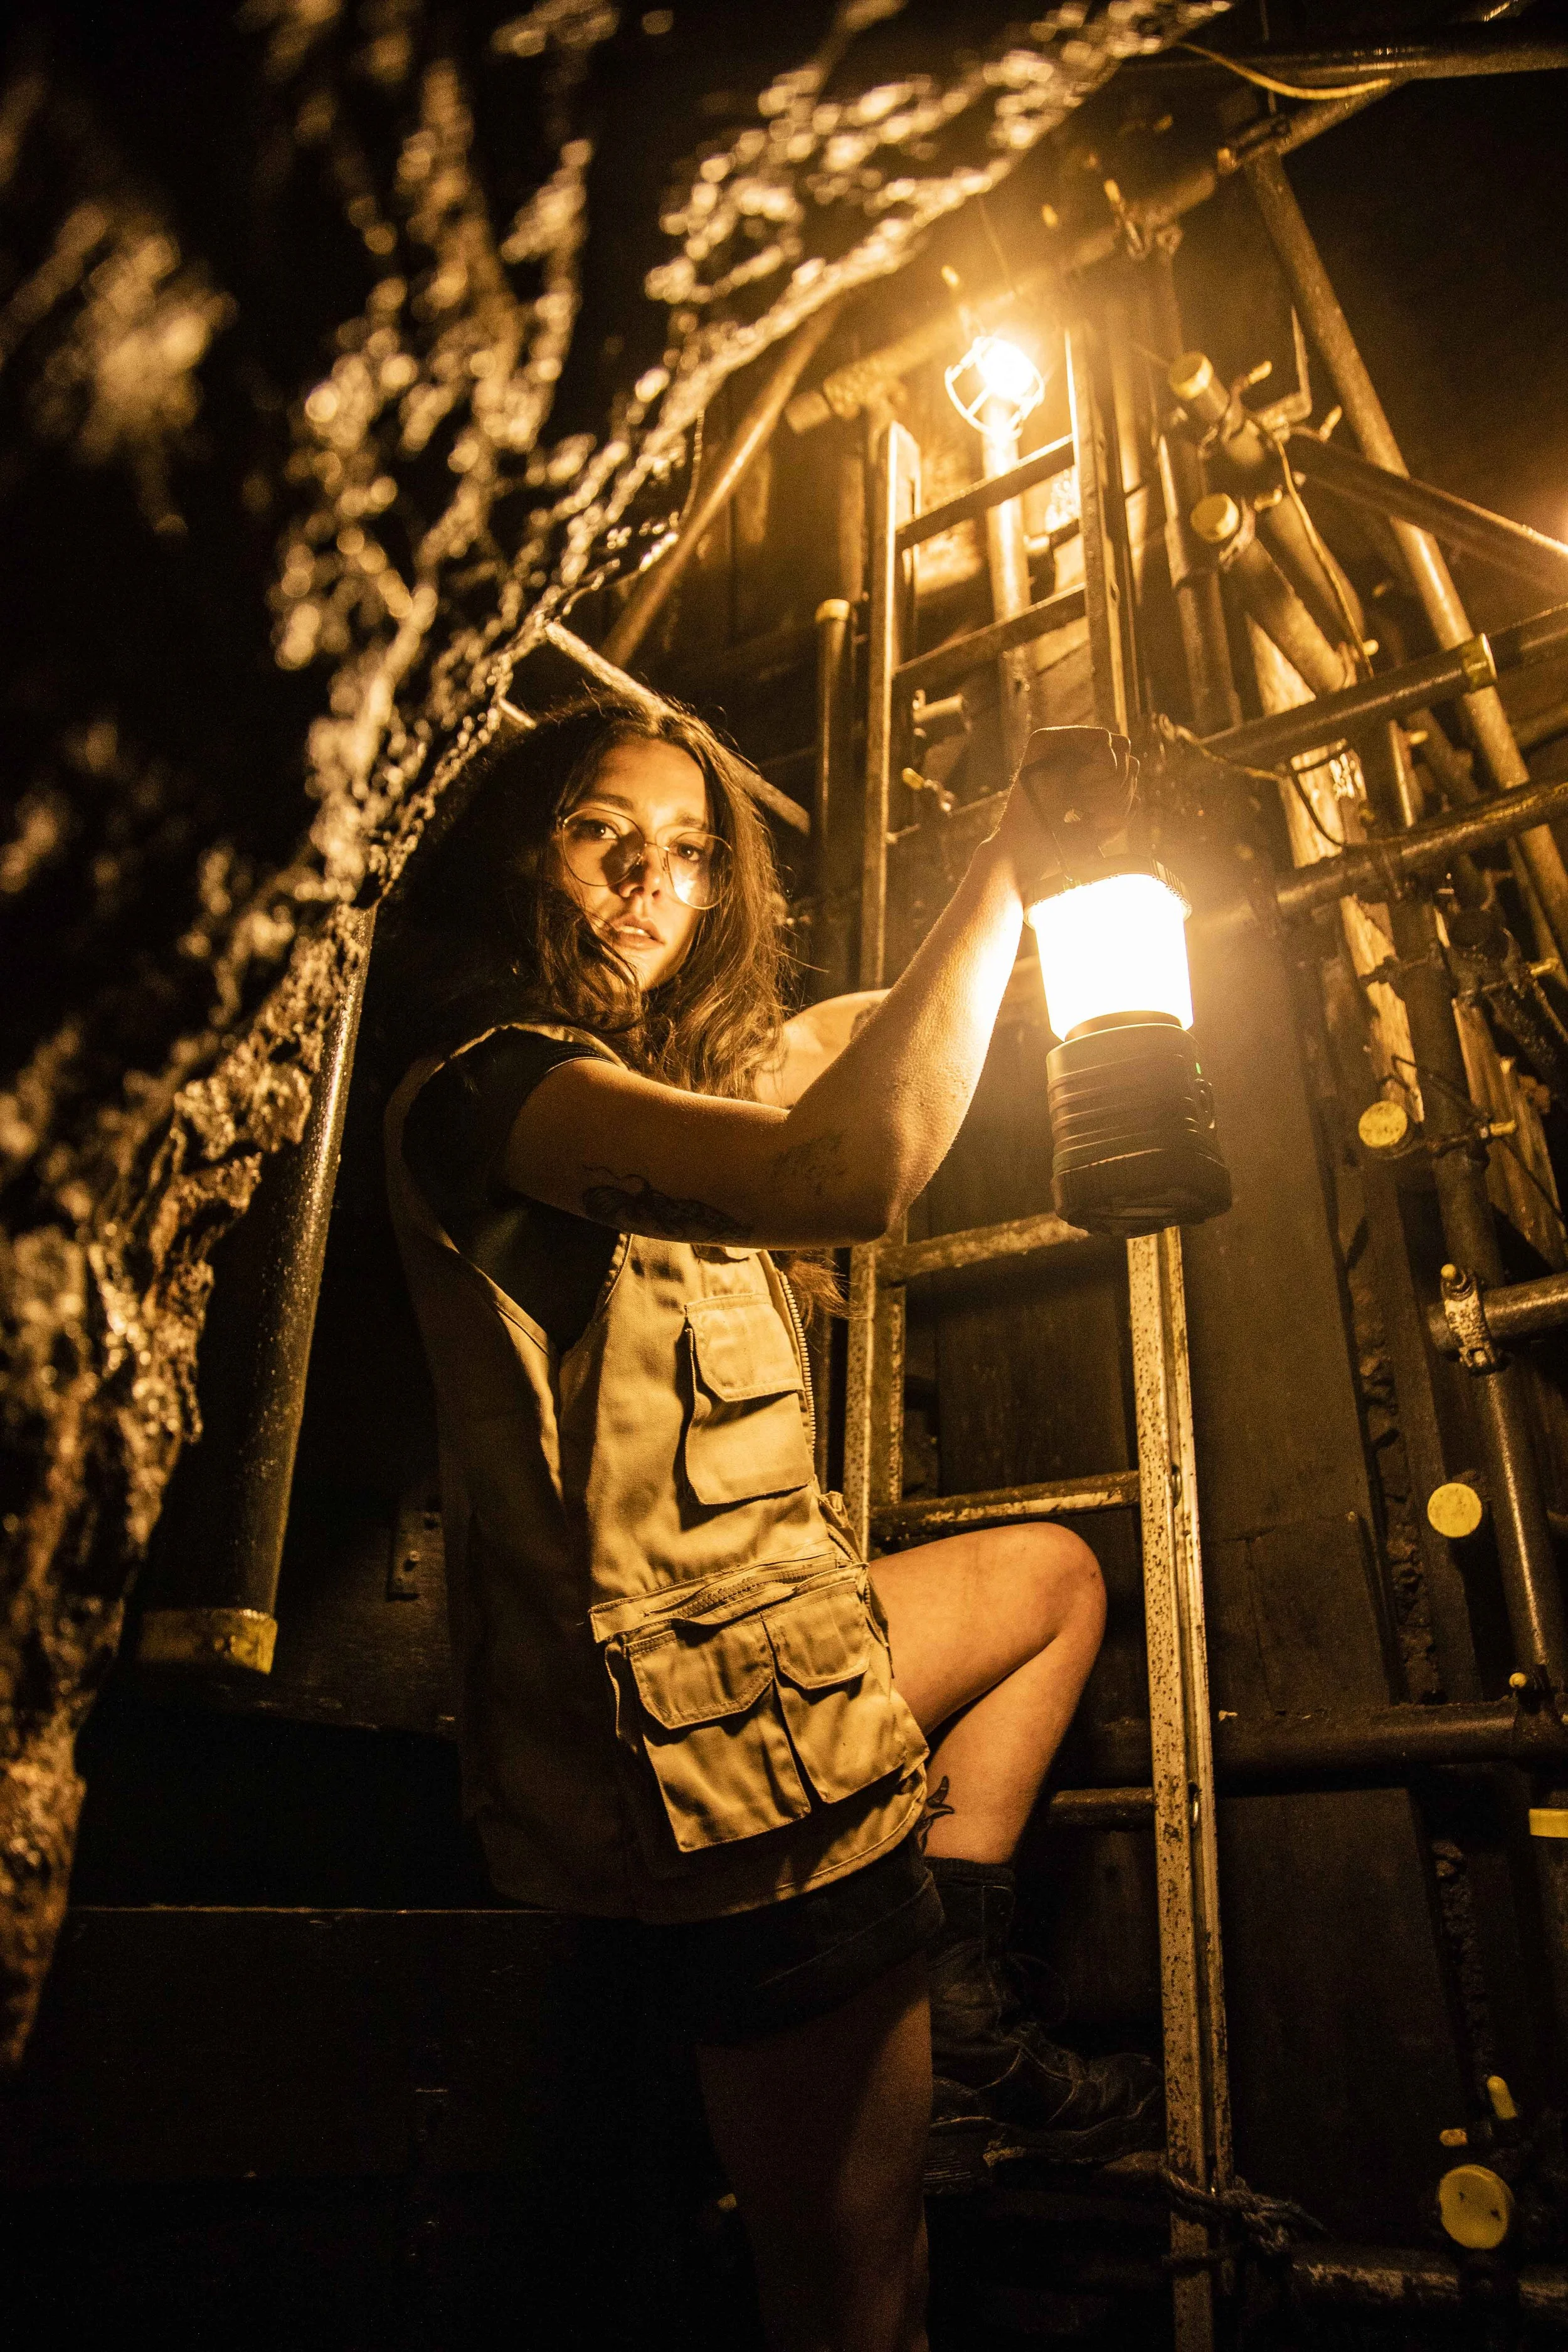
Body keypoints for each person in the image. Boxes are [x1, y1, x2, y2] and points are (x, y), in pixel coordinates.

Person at [384, 696, 1159, 2352]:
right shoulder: (501, 1088)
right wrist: (1011, 855)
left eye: (686, 853)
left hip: (779, 1665)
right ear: (522, 848)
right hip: (713, 1769)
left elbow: (866, 1041)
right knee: (863, 2311)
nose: (649, 881)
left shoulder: (669, 1083)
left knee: (1046, 1578)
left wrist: (1107, 880)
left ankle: (953, 1984)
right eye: (604, 831)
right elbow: (846, 1163)